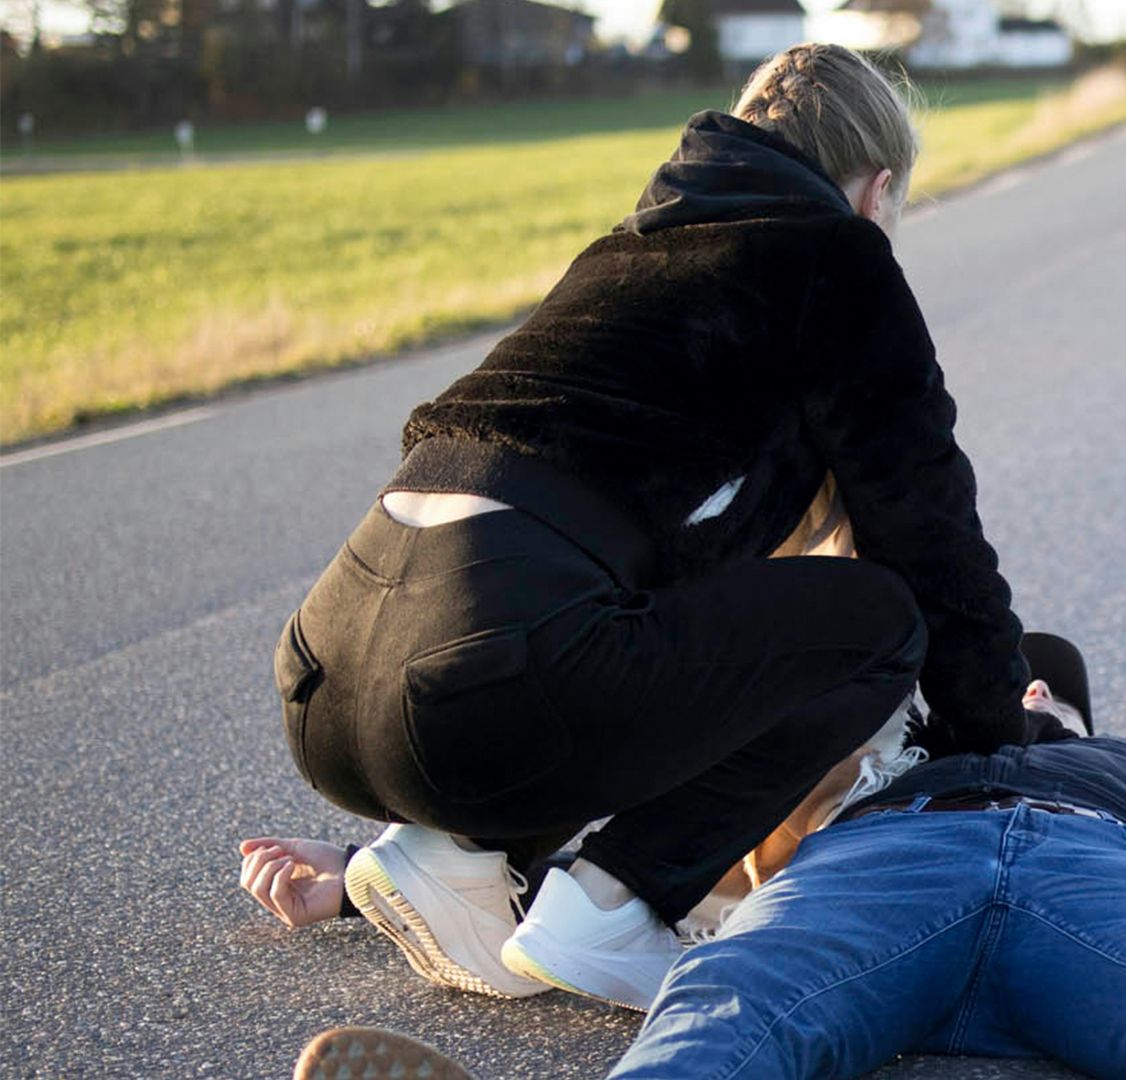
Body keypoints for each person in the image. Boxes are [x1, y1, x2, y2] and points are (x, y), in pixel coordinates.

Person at [263, 42, 1067, 1012]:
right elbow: (931, 532)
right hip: (480, 684)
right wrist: (999, 731)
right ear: (878, 189)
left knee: (637, 618)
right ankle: (613, 902)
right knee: (881, 620)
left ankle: (451, 853)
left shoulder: (624, 255)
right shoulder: (837, 254)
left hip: (327, 682)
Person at [263, 639, 1126, 1080]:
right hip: (885, 872)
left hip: (1100, 889)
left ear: (1080, 717)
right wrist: (368, 878)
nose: (1025, 694)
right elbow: (644, 815)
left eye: (1047, 688)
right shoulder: (878, 768)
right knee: (731, 997)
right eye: (1004, 681)